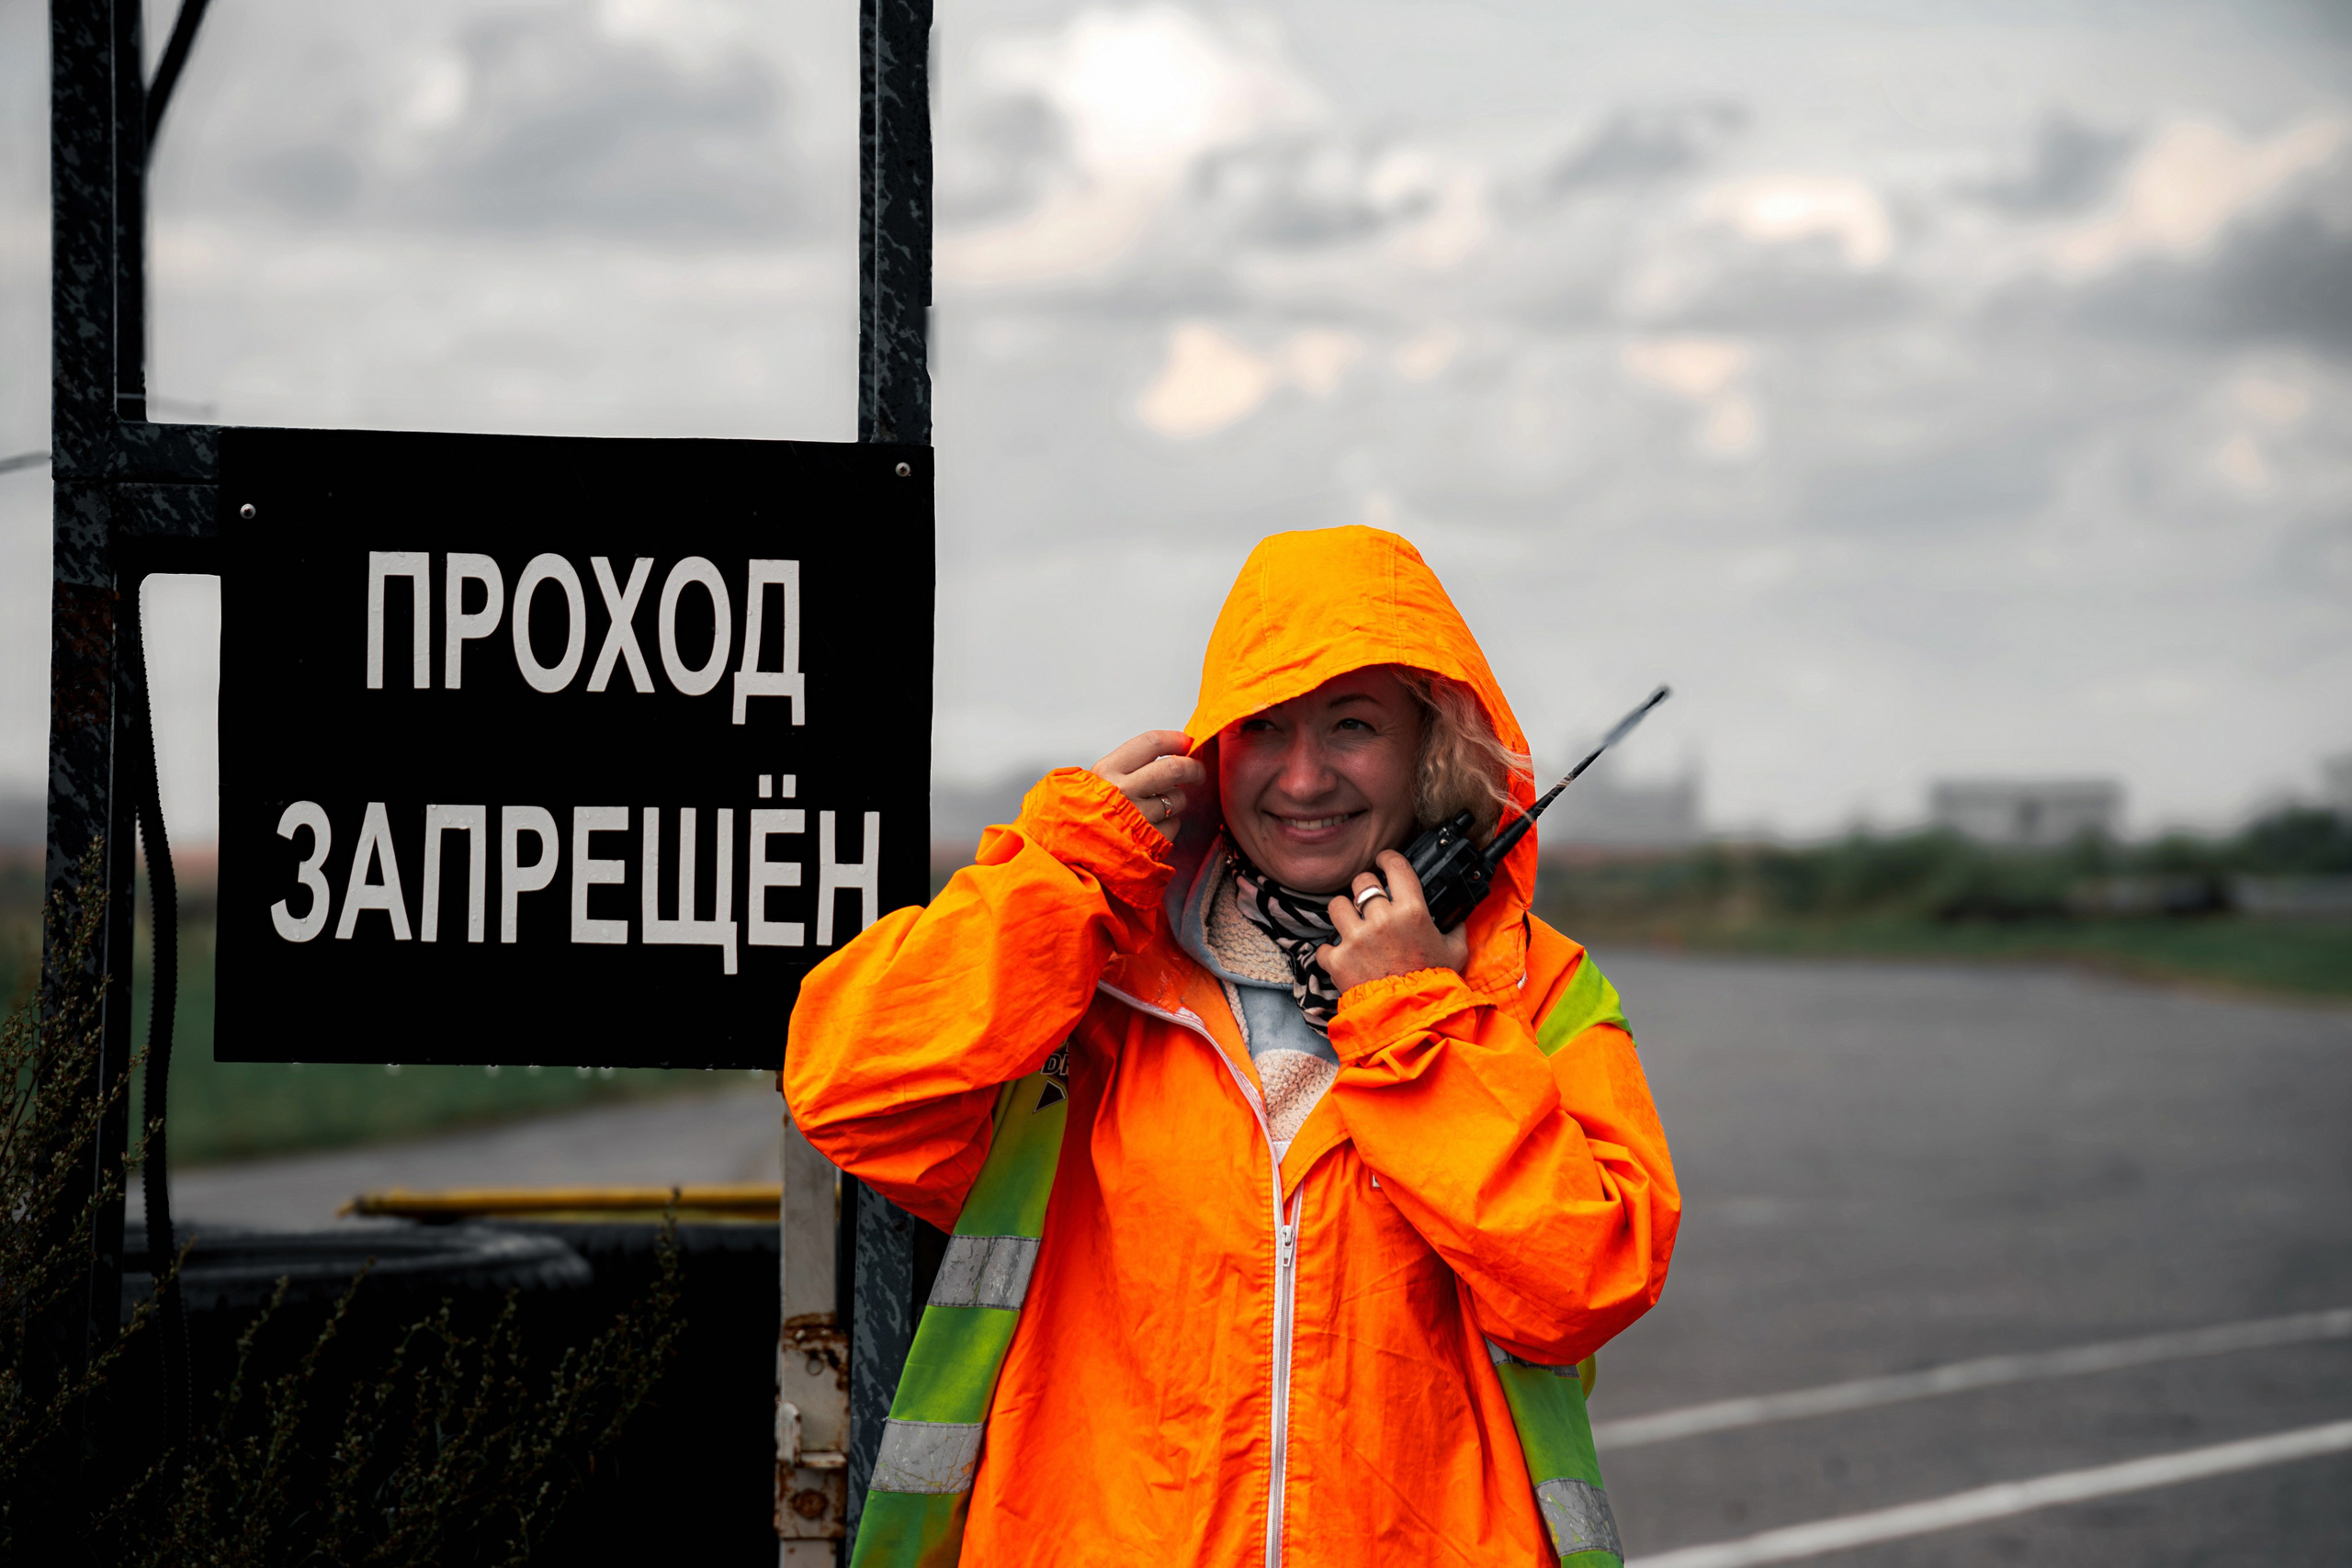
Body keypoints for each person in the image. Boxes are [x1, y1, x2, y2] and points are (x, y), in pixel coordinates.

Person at [786, 525, 1679, 1567]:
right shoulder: (1097, 973)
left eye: (1351, 726)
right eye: (1264, 727)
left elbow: (1586, 1281)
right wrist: (1066, 876)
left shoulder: (1529, 992)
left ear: (1431, 744)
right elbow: (846, 1084)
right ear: (1213, 751)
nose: (1302, 780)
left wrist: (1414, 1017)